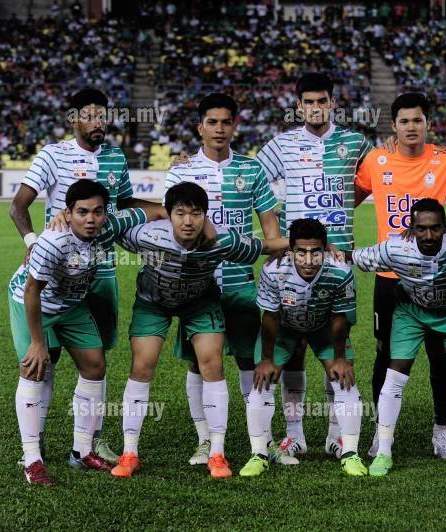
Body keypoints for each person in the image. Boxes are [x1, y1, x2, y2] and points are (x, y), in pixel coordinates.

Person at [9, 88, 161, 465]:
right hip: (55, 267)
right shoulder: (52, 154)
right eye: (89, 116)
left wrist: (169, 206)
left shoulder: (115, 157)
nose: (98, 123)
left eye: (102, 116)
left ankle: (90, 441)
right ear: (73, 119)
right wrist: (32, 241)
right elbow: (18, 206)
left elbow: (124, 205)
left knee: (96, 358)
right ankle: (34, 445)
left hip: (100, 271)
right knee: (45, 359)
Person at [110, 182, 284, 479]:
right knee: (142, 365)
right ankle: (129, 453)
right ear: (169, 215)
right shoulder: (146, 235)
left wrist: (317, 245)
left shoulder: (223, 240)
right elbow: (104, 226)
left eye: (196, 213)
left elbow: (265, 246)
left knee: (212, 364)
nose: (188, 221)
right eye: (180, 213)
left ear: (206, 215)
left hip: (200, 303)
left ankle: (217, 452)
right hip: (153, 303)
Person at [256, 72, 373, 461]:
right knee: (294, 347)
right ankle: (295, 435)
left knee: (336, 342)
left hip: (337, 262)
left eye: (322, 100)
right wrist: (275, 236)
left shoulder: (355, 142)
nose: (316, 107)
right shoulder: (282, 144)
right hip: (295, 258)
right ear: (299, 106)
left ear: (333, 103)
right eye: (308, 101)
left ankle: (336, 434)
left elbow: (382, 173)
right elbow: (250, 181)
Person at [164, 93, 283, 466]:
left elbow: (270, 227)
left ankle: (262, 441)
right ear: (200, 127)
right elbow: (169, 226)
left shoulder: (251, 170)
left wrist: (276, 261)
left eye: (226, 122)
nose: (219, 129)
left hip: (240, 282)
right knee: (198, 363)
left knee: (251, 361)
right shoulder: (181, 171)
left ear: (235, 126)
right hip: (197, 285)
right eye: (212, 122)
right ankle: (205, 440)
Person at [354, 93, 446, 459]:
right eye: (404, 121)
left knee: (439, 354)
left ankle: (441, 429)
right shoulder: (376, 161)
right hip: (390, 275)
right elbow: (346, 201)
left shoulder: (445, 162)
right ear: (394, 126)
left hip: (436, 276)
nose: (411, 127)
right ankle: (381, 431)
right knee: (385, 353)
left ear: (428, 124)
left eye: (417, 120)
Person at [347, 199, 446, 477]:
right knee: (395, 373)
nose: (428, 235)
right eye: (421, 228)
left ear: (445, 227)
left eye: (435, 228)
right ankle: (384, 451)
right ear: (411, 229)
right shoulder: (395, 248)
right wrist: (324, 252)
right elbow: (356, 257)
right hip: (411, 312)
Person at [240, 219, 367, 477]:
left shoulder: (340, 271)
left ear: (326, 249)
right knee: (262, 382)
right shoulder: (274, 270)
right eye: (301, 252)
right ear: (290, 250)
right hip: (285, 327)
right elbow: (270, 316)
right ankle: (259, 454)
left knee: (344, 379)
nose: (308, 260)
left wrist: (340, 357)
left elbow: (339, 317)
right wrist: (266, 359)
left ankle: (349, 452)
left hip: (324, 326)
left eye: (315, 252)